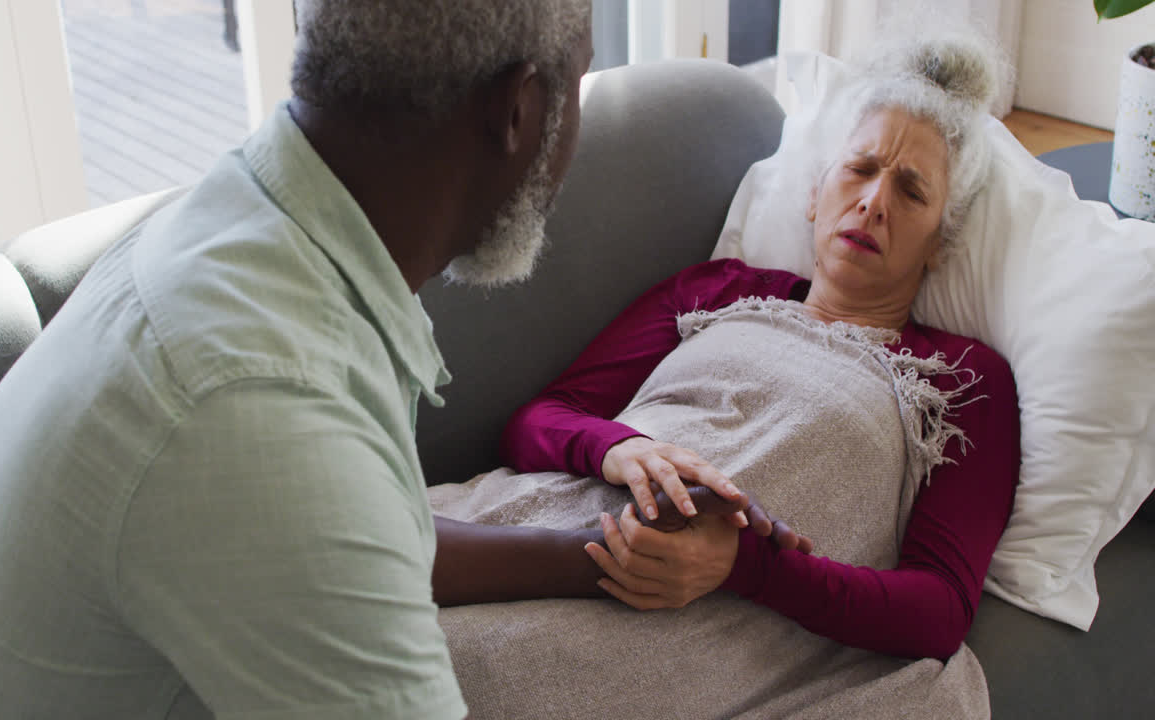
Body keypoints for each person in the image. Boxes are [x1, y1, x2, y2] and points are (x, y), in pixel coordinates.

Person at [0, 2, 628, 718]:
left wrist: (593, 555)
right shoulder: (252, 400)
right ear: (519, 109)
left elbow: (366, 539)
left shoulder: (255, 226)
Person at [437, 35, 1021, 662]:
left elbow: (939, 612)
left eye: (911, 192)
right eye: (859, 168)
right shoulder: (719, 288)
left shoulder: (962, 381)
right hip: (536, 524)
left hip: (696, 629)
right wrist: (623, 448)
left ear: (940, 242)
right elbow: (537, 422)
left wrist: (745, 566)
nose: (874, 202)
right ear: (814, 193)